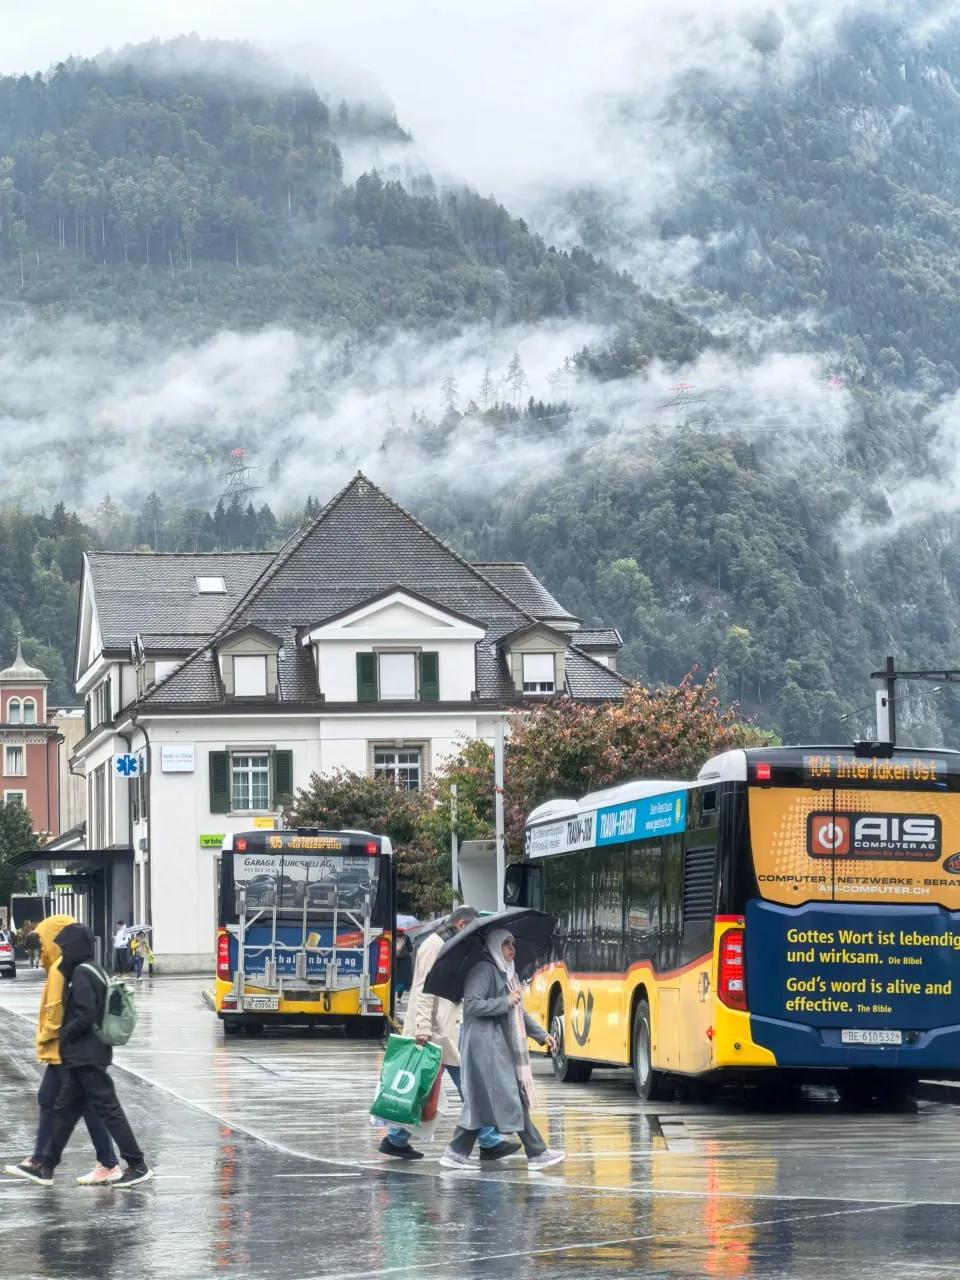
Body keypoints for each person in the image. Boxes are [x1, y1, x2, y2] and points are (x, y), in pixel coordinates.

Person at [380, 907, 518, 1163]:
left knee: (435, 1087)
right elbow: (423, 989)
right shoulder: (434, 945)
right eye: (470, 927)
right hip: (433, 1032)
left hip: (445, 1031)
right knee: (456, 1086)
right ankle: (488, 1140)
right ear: (461, 923)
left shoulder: (449, 943)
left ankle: (396, 1138)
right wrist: (422, 1028)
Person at [25, 923, 152, 1188]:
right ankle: (45, 1166)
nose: (62, 952)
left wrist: (63, 1034)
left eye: (65, 947)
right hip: (85, 1056)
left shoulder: (82, 973)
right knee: (64, 1110)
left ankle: (137, 1164)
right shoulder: (92, 969)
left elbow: (86, 1014)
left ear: (74, 947)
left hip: (88, 1056)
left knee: (109, 1110)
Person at [3, 914, 120, 1187]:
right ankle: (44, 1162)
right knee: (59, 1100)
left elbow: (55, 1010)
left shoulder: (60, 968)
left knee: (79, 1103)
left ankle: (52, 1163)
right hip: (70, 1048)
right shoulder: (63, 965)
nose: (41, 949)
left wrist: (50, 1039)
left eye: (43, 941)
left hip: (66, 1049)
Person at [440, 928, 564, 1171]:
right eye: (506, 944)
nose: (511, 949)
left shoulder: (506, 974)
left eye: (513, 944)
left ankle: (456, 1152)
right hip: (484, 1047)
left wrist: (542, 1035)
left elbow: (518, 1012)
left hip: (496, 1046)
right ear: (495, 945)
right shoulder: (483, 969)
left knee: (482, 1103)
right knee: (511, 1098)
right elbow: (473, 1006)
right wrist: (504, 1002)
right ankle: (536, 1152)